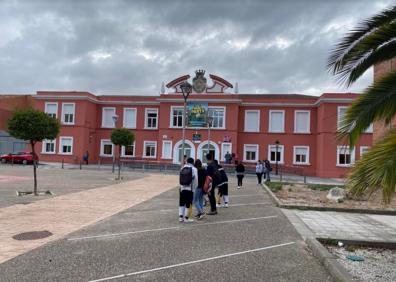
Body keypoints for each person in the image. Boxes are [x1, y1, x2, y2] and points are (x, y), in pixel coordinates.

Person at [179, 157, 198, 222]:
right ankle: (186, 218)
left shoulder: (182, 168)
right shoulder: (194, 169)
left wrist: (181, 187)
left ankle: (180, 217)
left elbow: (180, 178)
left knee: (182, 202)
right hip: (190, 188)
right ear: (193, 162)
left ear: (187, 162)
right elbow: (195, 180)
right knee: (188, 203)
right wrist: (194, 188)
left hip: (182, 188)